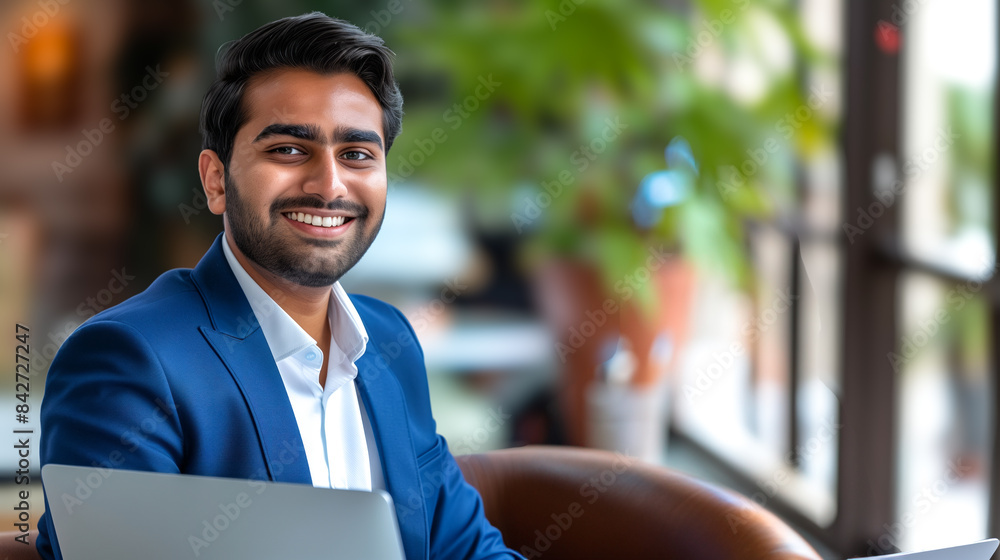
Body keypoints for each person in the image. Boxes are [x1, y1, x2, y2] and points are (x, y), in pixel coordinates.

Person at [37, 12, 523, 560]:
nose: (329, 185)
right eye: (289, 150)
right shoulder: (128, 360)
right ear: (216, 180)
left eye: (358, 154)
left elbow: (467, 548)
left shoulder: (391, 343)